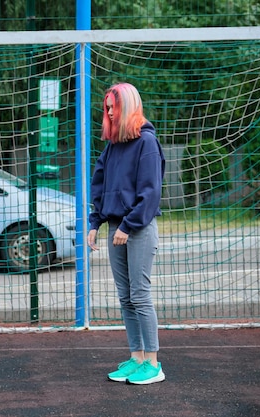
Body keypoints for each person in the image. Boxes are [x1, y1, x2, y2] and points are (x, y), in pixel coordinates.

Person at [87, 82, 166, 385]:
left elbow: (150, 192)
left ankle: (153, 364)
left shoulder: (146, 142)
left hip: (138, 228)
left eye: (112, 107)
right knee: (125, 297)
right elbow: (100, 184)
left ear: (128, 106)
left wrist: (127, 226)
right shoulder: (113, 145)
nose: (108, 112)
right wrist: (95, 223)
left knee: (140, 295)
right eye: (106, 107)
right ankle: (137, 358)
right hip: (114, 227)